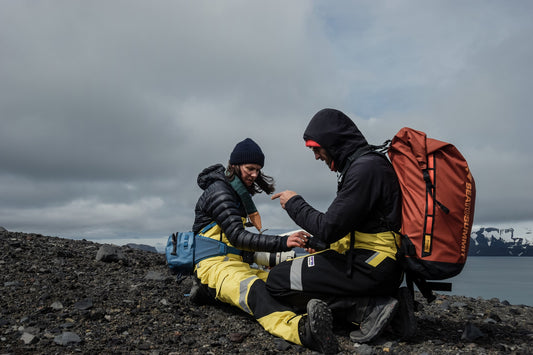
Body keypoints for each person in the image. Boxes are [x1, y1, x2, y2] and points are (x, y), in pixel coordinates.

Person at [190, 137, 340, 354]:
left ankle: (342, 314)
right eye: (250, 168)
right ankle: (303, 331)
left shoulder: (235, 194)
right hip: (212, 267)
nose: (254, 174)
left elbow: (237, 243)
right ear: (235, 165)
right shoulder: (220, 192)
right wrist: (283, 242)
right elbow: (238, 238)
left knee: (279, 283)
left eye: (258, 170)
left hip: (235, 263)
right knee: (256, 290)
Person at [268, 108, 406, 343]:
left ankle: (367, 309)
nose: (316, 156)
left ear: (332, 142)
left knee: (278, 280)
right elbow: (350, 229)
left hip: (372, 266)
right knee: (297, 272)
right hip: (376, 263)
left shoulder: (365, 170)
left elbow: (329, 227)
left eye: (316, 149)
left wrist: (293, 203)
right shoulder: (366, 166)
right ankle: (394, 309)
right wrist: (317, 243)